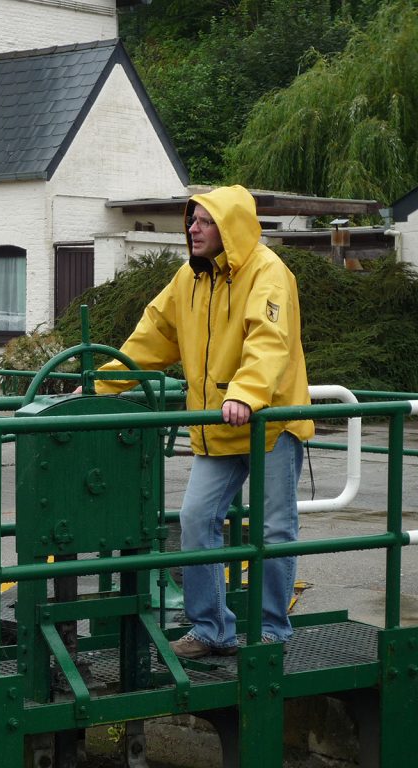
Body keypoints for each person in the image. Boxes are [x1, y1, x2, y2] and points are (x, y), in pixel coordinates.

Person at [90, 184, 314, 659]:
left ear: (229, 228)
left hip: (269, 424)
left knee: (273, 528)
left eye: (204, 220)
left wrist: (247, 394)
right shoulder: (187, 280)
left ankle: (272, 628)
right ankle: (211, 629)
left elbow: (267, 340)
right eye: (191, 220)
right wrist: (97, 386)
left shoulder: (269, 274)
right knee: (196, 520)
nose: (192, 228)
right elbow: (150, 338)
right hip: (217, 427)